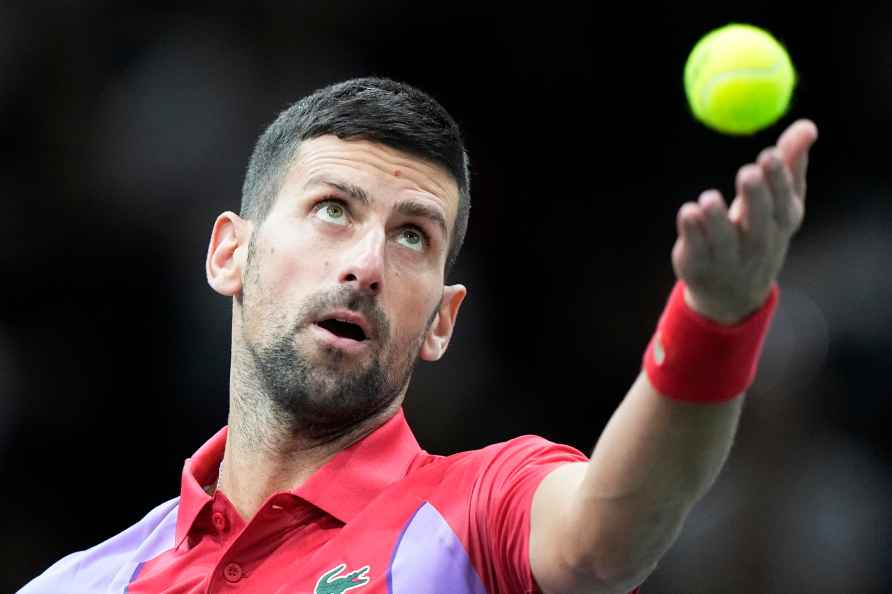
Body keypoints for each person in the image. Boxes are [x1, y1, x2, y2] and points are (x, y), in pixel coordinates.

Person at [19, 77, 818, 594]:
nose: (368, 263)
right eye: (334, 208)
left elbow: (605, 536)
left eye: (413, 237)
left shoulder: (477, 513)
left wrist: (714, 319)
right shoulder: (82, 584)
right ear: (231, 252)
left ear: (442, 321)